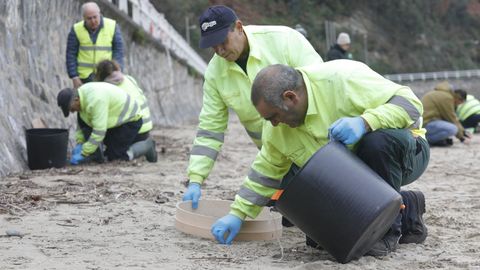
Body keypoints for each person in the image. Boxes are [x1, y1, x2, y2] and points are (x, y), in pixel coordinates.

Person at [211, 61, 430, 257]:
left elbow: (411, 105)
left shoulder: (342, 79)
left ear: (290, 97)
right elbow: (265, 173)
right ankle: (408, 204)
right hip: (353, 176)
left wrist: (365, 122)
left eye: (274, 116)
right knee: (317, 239)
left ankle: (387, 231)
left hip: (405, 152)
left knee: (378, 142)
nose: (274, 124)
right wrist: (237, 215)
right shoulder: (276, 131)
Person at [182, 5, 323, 209]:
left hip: (314, 144)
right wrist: (196, 179)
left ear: (239, 27)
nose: (219, 51)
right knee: (287, 213)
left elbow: (319, 87)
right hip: (276, 156)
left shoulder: (283, 40)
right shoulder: (214, 74)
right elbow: (210, 129)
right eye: (213, 46)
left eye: (223, 42)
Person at [57, 83, 154, 165]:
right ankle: (96, 155)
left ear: (76, 99)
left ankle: (147, 146)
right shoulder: (81, 97)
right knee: (107, 153)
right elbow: (82, 125)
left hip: (130, 120)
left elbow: (99, 131)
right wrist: (80, 143)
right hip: (114, 120)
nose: (72, 111)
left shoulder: (96, 100)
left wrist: (84, 152)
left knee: (117, 157)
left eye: (71, 109)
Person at [94, 59, 157, 163]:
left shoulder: (107, 87)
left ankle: (146, 146)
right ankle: (141, 145)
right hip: (145, 127)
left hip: (135, 129)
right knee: (112, 151)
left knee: (117, 156)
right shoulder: (129, 78)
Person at [66, 2, 124, 89]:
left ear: (100, 14)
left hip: (107, 76)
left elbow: (118, 51)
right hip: (84, 78)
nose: (93, 21)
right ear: (84, 18)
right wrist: (74, 77)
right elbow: (71, 54)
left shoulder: (112, 26)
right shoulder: (76, 29)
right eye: (89, 18)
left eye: (95, 17)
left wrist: (117, 71)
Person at [422, 81, 471, 146]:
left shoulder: (441, 94)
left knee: (451, 128)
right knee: (453, 129)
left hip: (424, 122)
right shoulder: (447, 98)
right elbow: (451, 118)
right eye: (459, 103)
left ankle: (434, 140)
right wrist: (461, 137)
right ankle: (425, 140)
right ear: (459, 99)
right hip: (426, 123)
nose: (457, 105)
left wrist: (463, 132)